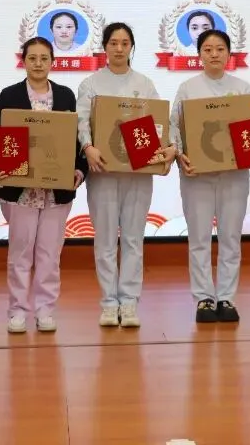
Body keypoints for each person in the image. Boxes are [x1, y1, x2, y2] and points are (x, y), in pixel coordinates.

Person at [0, 37, 87, 333]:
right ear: (24, 61)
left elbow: (75, 141)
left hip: (56, 190)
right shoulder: (10, 95)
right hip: (20, 190)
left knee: (50, 254)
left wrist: (79, 171)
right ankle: (17, 311)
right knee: (20, 253)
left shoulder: (65, 96)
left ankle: (45, 310)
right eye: (32, 58)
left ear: (53, 61)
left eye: (44, 58)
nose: (38, 64)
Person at [77, 22, 177, 328]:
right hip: (103, 172)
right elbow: (81, 122)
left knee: (133, 239)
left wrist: (165, 150)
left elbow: (159, 123)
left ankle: (130, 302)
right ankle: (109, 303)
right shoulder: (91, 84)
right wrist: (88, 147)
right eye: (113, 43)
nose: (119, 48)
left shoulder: (144, 84)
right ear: (105, 47)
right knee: (105, 240)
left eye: (124, 43)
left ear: (132, 47)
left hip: (137, 173)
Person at [173, 29, 250, 323]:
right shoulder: (188, 88)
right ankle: (204, 298)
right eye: (208, 49)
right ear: (199, 55)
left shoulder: (241, 89)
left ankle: (227, 297)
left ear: (229, 54)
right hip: (197, 176)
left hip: (233, 175)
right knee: (199, 238)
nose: (214, 54)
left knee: (230, 237)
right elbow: (175, 127)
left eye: (220, 49)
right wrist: (179, 155)